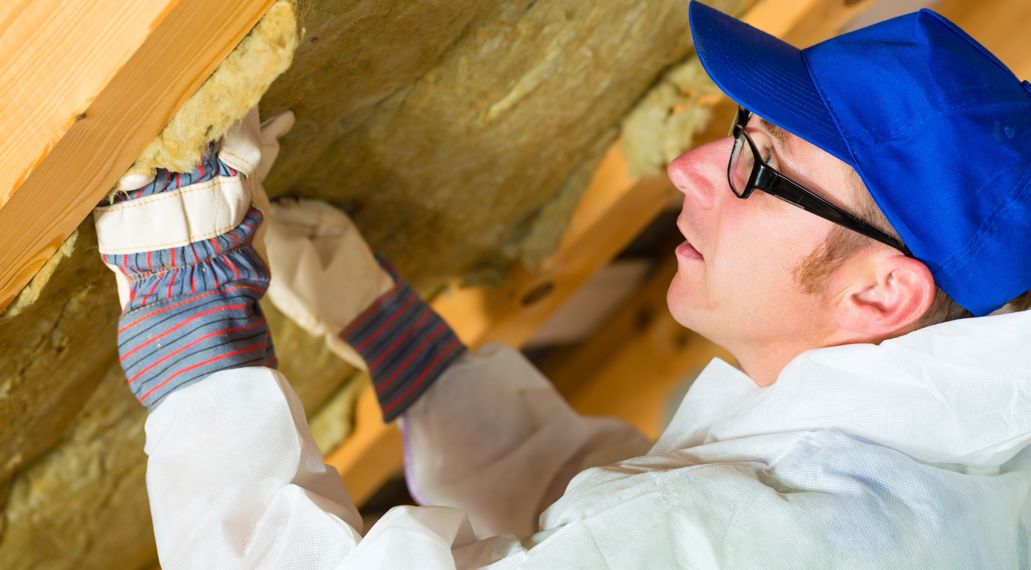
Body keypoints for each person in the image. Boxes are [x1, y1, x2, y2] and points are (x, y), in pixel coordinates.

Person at [93, 2, 1031, 567]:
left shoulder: (802, 539)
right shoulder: (931, 460)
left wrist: (196, 331)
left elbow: (661, 533)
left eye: (758, 164)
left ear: (879, 294)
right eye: (738, 127)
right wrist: (401, 346)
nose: (690, 169)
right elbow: (612, 514)